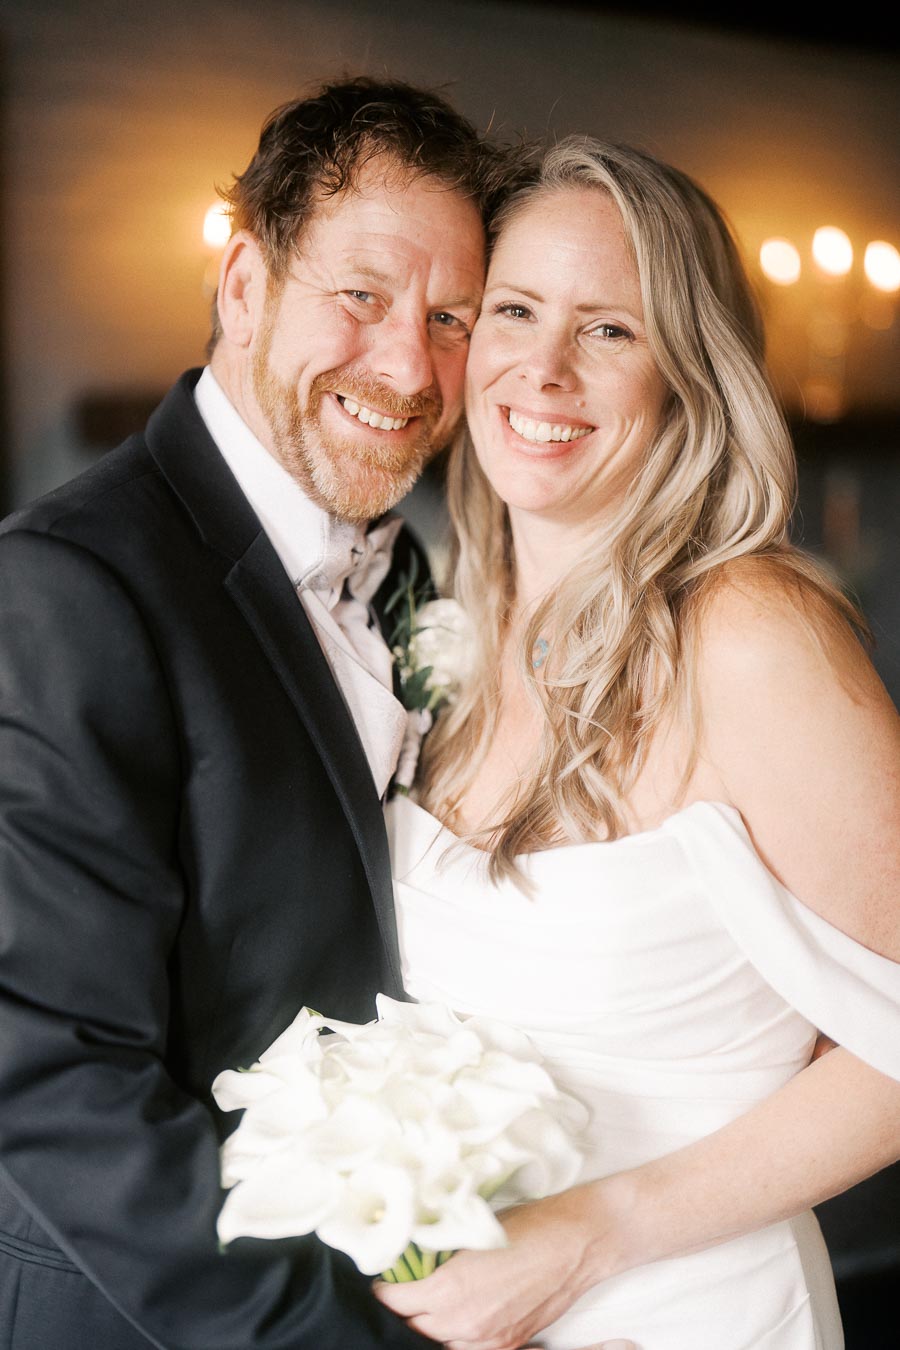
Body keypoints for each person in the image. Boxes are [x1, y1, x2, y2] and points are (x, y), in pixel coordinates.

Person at [0, 76, 511, 1350]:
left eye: (452, 315)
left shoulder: (410, 578)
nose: (410, 364)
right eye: (363, 296)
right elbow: (53, 1080)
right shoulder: (67, 584)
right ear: (243, 285)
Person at [377, 136, 900, 1349]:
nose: (543, 369)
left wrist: (593, 1239)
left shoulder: (749, 637)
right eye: (515, 310)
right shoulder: (456, 615)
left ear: (689, 373)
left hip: (682, 1311)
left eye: (608, 329)